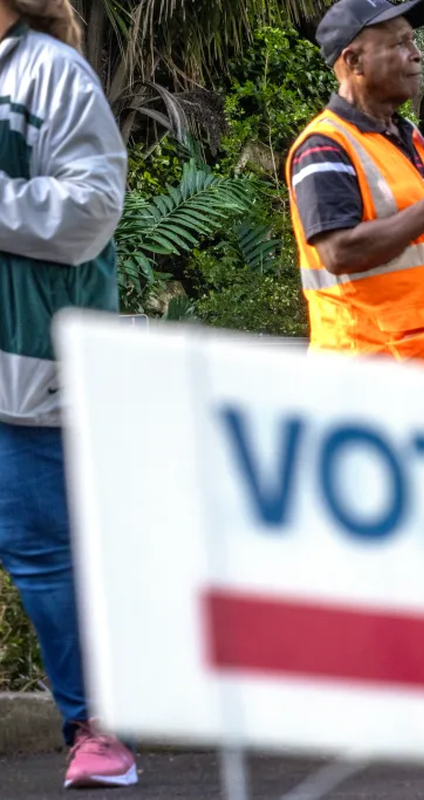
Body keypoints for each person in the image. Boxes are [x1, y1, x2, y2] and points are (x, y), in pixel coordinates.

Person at [0, 0, 137, 788]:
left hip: (29, 368)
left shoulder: (52, 73)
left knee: (47, 559)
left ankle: (95, 730)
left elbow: (92, 211)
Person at [287, 0, 424, 365]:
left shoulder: (409, 139)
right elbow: (339, 252)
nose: (417, 55)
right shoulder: (324, 146)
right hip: (368, 378)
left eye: (414, 42)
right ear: (354, 61)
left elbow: (416, 240)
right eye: (399, 44)